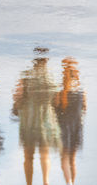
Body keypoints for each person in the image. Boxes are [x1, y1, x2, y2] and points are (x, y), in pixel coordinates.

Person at [12, 47, 61, 185]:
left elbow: (17, 96)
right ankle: (46, 182)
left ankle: (29, 183)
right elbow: (56, 101)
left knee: (28, 156)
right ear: (47, 60)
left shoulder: (26, 75)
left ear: (33, 59)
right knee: (45, 155)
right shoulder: (52, 77)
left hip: (28, 121)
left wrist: (17, 106)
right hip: (46, 122)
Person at [54, 57, 86, 185]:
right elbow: (84, 109)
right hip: (77, 127)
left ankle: (69, 183)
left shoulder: (60, 93)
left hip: (63, 128)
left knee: (64, 158)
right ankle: (73, 182)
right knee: (72, 160)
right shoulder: (82, 92)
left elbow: (55, 111)